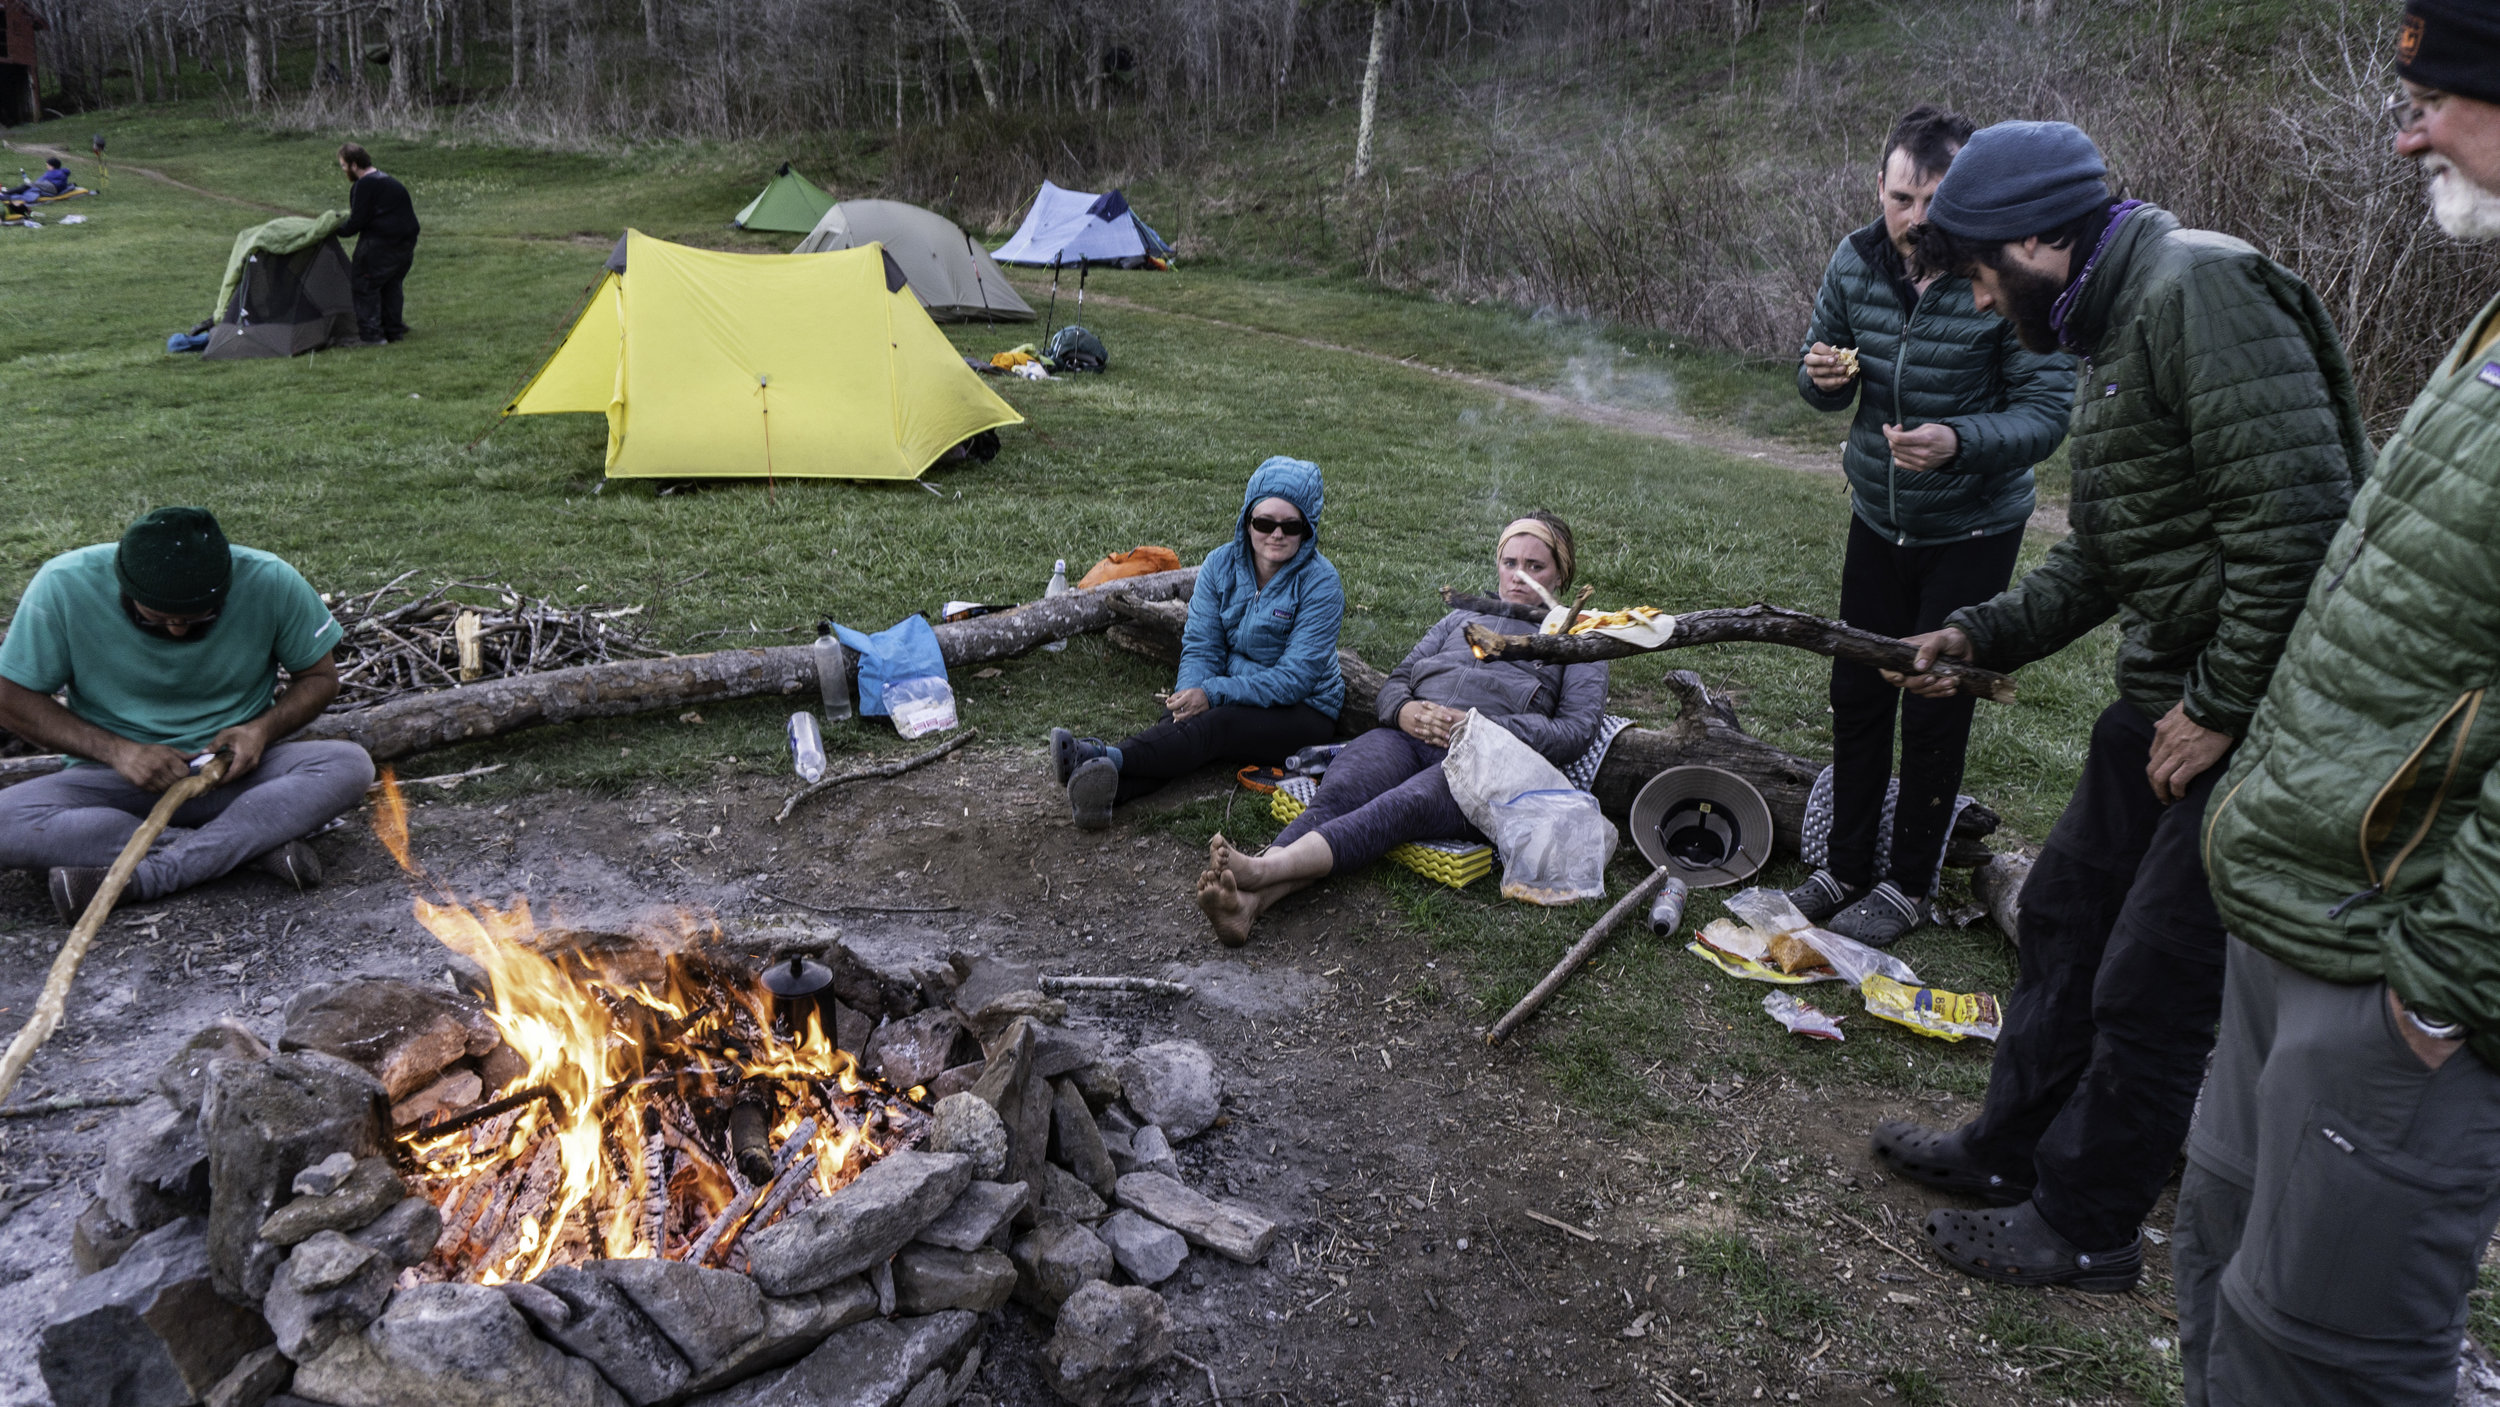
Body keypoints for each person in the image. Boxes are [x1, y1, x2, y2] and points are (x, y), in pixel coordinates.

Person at [1874, 120, 2369, 1292]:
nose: (1989, 305)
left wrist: (2220, 708)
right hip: (2162, 696)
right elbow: (2105, 559)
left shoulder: (2203, 292)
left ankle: (2089, 1223)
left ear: (2046, 236)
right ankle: (2008, 1153)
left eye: (1989, 274)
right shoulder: (2117, 317)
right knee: (2062, 919)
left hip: (2246, 718)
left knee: (2152, 976)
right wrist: (1976, 634)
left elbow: (2297, 532)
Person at [2179, 6, 2500, 1401]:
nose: (2408, 127)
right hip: (2300, 921)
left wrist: (2442, 989)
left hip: (2397, 977)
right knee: (2222, 1277)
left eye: (2439, 96)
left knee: (2323, 1356)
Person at [1790, 104, 2076, 945]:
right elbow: (1820, 374)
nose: (1917, 219)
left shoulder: (2002, 273)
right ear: (1880, 187)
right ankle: (1844, 865)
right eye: (1902, 197)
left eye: (1933, 200)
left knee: (1936, 698)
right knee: (1856, 690)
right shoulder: (1854, 259)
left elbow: (2045, 416)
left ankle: (1907, 883)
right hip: (1878, 515)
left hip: (1973, 528)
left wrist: (1956, 443)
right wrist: (1822, 376)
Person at [1195, 513, 1607, 947]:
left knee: (1398, 807)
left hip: (1482, 765)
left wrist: (1479, 728)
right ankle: (1249, 906)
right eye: (1510, 562)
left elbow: (1576, 730)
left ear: (1561, 572)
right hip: (1405, 738)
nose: (1518, 576)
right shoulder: (1461, 618)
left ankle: (1261, 868)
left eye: (1535, 566)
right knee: (1340, 794)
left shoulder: (1579, 638)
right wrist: (1404, 710)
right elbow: (1396, 682)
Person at [0, 508, 375, 920]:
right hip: (113, 784)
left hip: (239, 777)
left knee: (347, 764)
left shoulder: (270, 578)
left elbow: (320, 678)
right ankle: (245, 849)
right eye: (157, 618)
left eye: (199, 617)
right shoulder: (64, 583)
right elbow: (9, 697)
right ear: (123, 584)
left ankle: (144, 878)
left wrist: (260, 730)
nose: (178, 630)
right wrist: (119, 753)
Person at [1049, 457, 1345, 829]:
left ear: (1308, 529)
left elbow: (1294, 679)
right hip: (1231, 691)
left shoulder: (1321, 583)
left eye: (1291, 525)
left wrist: (1213, 693)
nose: (1277, 534)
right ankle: (1104, 794)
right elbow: (1202, 646)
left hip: (1305, 710)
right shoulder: (1219, 565)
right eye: (1265, 523)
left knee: (1215, 726)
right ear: (1247, 520)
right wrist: (1191, 692)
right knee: (1178, 726)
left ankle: (1097, 754)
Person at [335, 142, 419, 346]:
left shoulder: (364, 185)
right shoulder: (388, 180)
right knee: (391, 285)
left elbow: (357, 222)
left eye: (344, 166)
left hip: (381, 243)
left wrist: (334, 229)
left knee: (365, 285)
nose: (344, 170)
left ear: (354, 165)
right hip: (405, 244)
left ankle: (372, 336)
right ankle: (394, 330)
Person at [5, 158, 71, 199]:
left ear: (52, 166)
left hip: (53, 187)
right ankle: (8, 193)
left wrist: (31, 183)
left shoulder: (54, 172)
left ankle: (5, 193)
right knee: (28, 186)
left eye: (47, 165)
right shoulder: (60, 172)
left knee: (27, 186)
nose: (46, 166)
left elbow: (41, 180)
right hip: (53, 187)